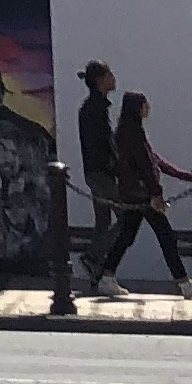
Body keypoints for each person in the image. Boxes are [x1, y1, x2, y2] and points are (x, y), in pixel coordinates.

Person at [88, 90, 192, 292]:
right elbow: (146, 166)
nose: (148, 108)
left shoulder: (130, 132)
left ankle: (107, 277)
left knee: (126, 236)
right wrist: (156, 193)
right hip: (143, 196)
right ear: (138, 108)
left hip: (134, 194)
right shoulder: (133, 134)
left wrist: (187, 176)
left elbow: (155, 160)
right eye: (145, 104)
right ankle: (184, 282)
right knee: (166, 237)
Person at [75, 59, 121, 246]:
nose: (113, 78)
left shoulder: (92, 107)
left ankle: (100, 265)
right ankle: (94, 256)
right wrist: (114, 162)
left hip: (95, 171)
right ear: (100, 80)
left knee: (103, 221)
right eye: (109, 75)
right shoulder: (95, 109)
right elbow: (100, 142)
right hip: (101, 172)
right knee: (126, 217)